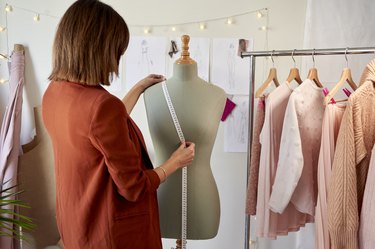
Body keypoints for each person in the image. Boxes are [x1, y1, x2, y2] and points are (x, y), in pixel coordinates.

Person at [42, 1, 195, 248]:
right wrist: (174, 163)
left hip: (78, 223)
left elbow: (95, 131)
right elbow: (133, 187)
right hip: (111, 232)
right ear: (99, 49)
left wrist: (137, 88)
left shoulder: (54, 93)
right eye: (117, 50)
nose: (118, 58)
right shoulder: (102, 106)